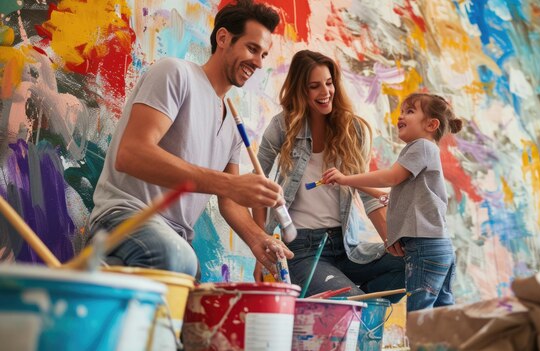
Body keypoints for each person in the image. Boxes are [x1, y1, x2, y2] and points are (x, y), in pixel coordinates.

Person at [87, 0, 292, 278]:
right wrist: (230, 183)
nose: (257, 62)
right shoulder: (175, 73)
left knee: (189, 273)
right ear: (223, 38)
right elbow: (132, 154)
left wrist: (259, 240)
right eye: (252, 48)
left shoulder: (232, 120)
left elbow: (228, 200)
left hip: (175, 240)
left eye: (263, 55)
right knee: (180, 259)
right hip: (125, 217)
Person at [254, 50, 405, 300]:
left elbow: (367, 195)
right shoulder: (282, 126)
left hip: (348, 247)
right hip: (302, 250)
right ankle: (350, 302)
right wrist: (261, 251)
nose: (325, 93)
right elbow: (257, 186)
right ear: (300, 90)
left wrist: (392, 241)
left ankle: (353, 301)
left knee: (418, 263)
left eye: (328, 83)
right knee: (353, 304)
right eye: (314, 86)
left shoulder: (352, 129)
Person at [323, 93, 463, 311]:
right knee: (440, 316)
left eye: (409, 111)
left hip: (424, 248)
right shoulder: (426, 152)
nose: (400, 116)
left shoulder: (421, 147)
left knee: (419, 316)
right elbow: (388, 193)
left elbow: (390, 177)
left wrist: (345, 178)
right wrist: (353, 184)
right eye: (401, 111)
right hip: (439, 248)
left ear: (431, 124)